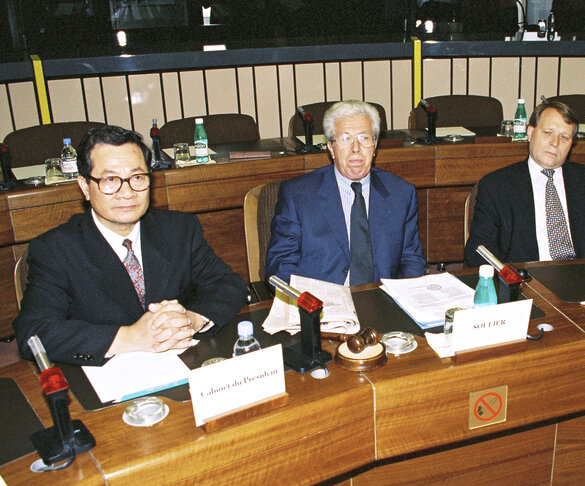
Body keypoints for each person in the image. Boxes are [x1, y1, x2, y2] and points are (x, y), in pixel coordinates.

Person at [14, 125, 247, 366]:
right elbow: (33, 332)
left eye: (137, 178)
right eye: (110, 179)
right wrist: (130, 337)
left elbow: (228, 284)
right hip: (105, 379)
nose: (127, 192)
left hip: (182, 363)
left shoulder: (179, 229)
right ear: (85, 186)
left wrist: (191, 320)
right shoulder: (55, 250)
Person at [266, 99, 426, 286]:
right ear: (331, 148)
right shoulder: (298, 195)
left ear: (375, 145)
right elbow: (280, 266)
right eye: (345, 138)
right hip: (321, 304)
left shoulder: (401, 193)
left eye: (364, 138)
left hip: (383, 303)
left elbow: (411, 260)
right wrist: (314, 302)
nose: (356, 148)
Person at [465, 100, 585, 266]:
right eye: (548, 133)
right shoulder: (496, 187)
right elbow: (480, 251)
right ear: (530, 133)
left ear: (572, 144)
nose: (555, 143)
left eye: (564, 137)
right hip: (527, 281)